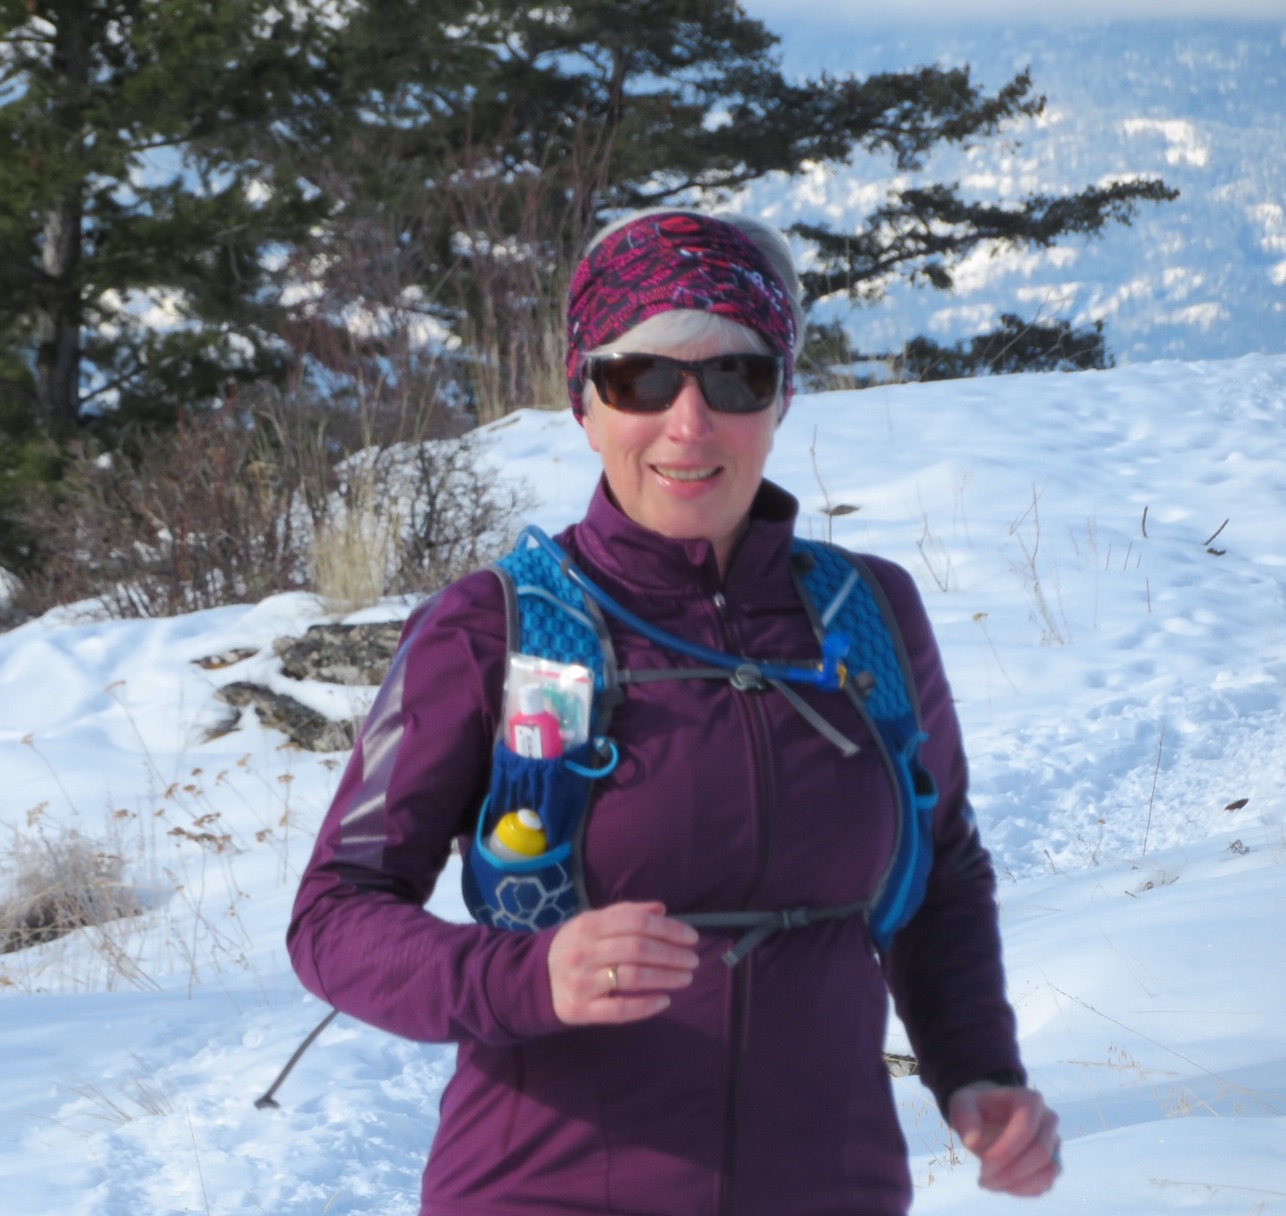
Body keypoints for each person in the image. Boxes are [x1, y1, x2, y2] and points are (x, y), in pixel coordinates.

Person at [286, 209, 1060, 1214]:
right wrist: (525, 977)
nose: (688, 425)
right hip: (547, 1191)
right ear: (584, 402)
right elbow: (335, 914)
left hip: (832, 1186)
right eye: (641, 379)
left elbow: (940, 869)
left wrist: (978, 1071)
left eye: (736, 378)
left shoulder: (866, 614)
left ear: (781, 398)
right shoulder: (489, 627)